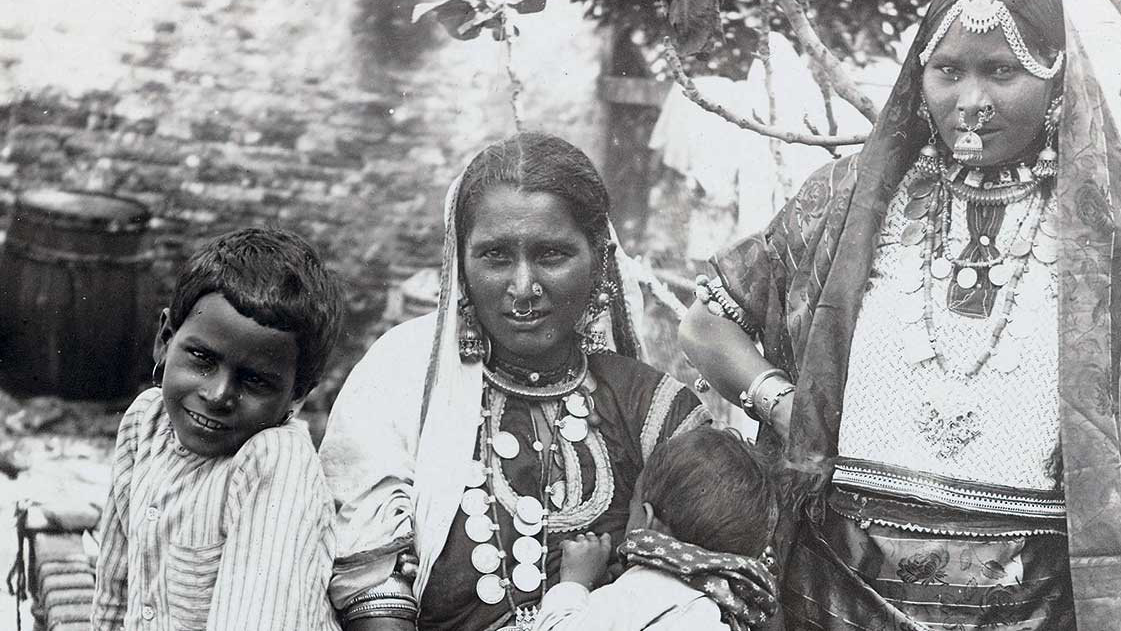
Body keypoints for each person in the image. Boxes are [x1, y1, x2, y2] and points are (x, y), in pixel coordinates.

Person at [679, 0, 1121, 629]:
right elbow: (703, 325)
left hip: (1033, 607)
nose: (971, 100)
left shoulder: (1111, 242)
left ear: (1056, 76)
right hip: (831, 593)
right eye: (949, 70)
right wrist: (785, 405)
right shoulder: (847, 204)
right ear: (919, 74)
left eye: (1001, 71)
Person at [319, 132, 710, 630]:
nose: (523, 289)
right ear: (459, 261)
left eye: (551, 255)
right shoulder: (402, 375)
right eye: (495, 256)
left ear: (599, 260)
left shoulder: (655, 411)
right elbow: (366, 574)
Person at [90, 227, 345, 630]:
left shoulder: (275, 463)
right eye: (202, 359)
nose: (218, 394)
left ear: (297, 395)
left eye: (255, 381)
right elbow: (114, 588)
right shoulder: (146, 421)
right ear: (165, 340)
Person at [532, 427, 779, 631]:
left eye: (632, 507)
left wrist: (575, 582)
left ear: (647, 519)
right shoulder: (731, 608)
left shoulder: (648, 588)